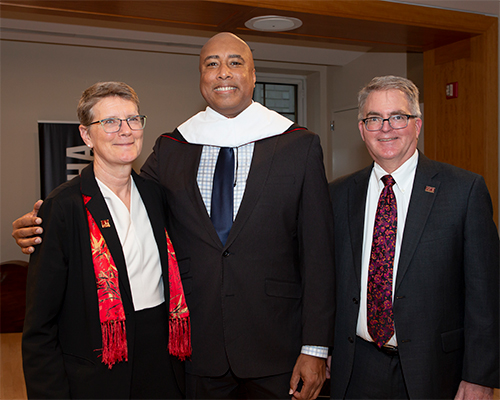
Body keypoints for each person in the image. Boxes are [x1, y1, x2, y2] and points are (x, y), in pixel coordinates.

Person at [13, 33, 335, 400]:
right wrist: (39, 223)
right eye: (211, 64)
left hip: (275, 343)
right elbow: (113, 193)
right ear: (200, 76)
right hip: (195, 348)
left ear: (254, 74)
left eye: (235, 62)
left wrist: (315, 348)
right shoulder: (173, 147)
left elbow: (319, 255)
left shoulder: (298, 145)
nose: (222, 73)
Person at [328, 75, 499, 399]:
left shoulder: (464, 191)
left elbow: (486, 294)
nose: (386, 128)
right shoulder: (337, 195)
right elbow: (326, 281)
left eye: (398, 117)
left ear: (417, 125)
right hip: (356, 367)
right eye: (374, 119)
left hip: (436, 369)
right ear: (362, 129)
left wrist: (479, 375)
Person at [21, 82, 189, 399]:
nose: (125, 130)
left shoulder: (156, 195)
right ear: (86, 135)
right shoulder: (64, 206)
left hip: (162, 362)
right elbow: (40, 328)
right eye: (110, 122)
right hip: (97, 372)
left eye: (132, 119)